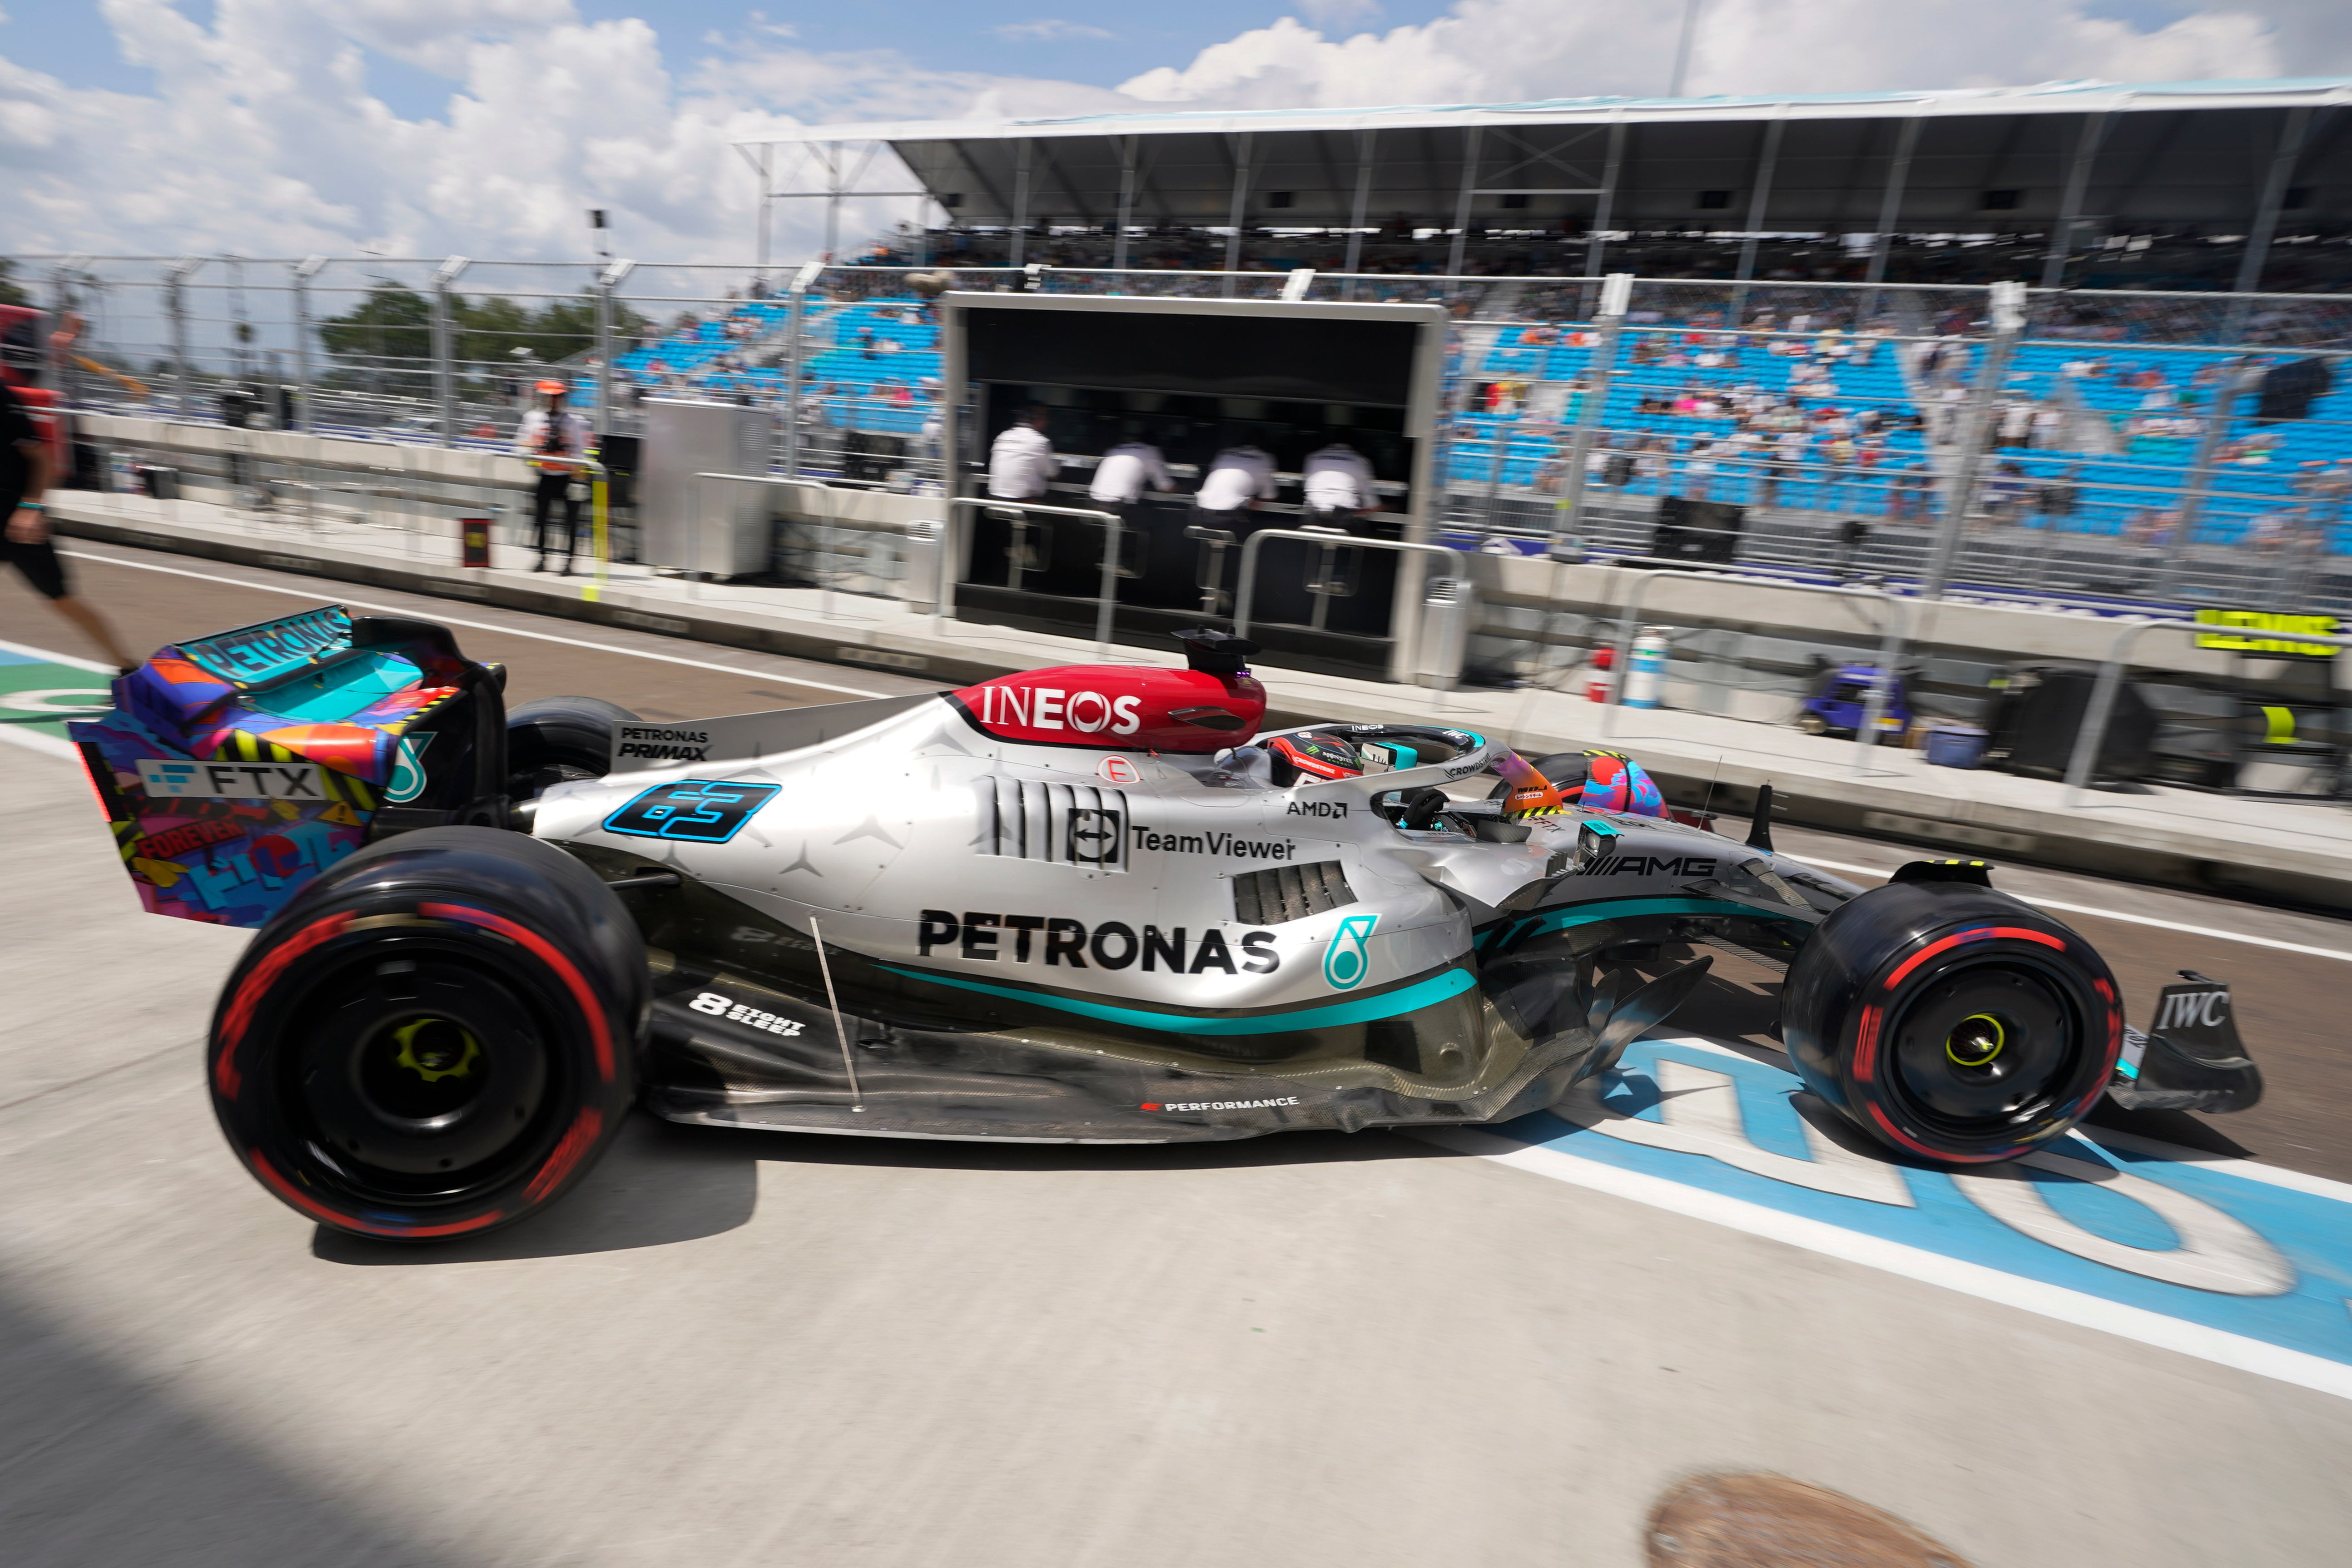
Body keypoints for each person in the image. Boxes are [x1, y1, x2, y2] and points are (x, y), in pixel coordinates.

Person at [1, 378, 137, 673]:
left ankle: (127, 668)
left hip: (13, 519)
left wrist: (31, 507)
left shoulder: (3, 397)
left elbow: (42, 458)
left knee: (60, 599)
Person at [514, 379, 592, 574]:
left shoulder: (576, 421)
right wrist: (531, 451)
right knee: (540, 519)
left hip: (568, 477)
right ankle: (541, 558)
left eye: (557, 397)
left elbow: (582, 452)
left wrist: (579, 479)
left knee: (571, 521)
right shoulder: (532, 419)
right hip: (545, 475)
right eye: (550, 397)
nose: (553, 401)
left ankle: (569, 562)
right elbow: (521, 445)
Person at [1300, 437, 1379, 524]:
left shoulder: (1312, 457)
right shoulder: (1360, 460)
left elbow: (1305, 487)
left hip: (1311, 517)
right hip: (1344, 520)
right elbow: (1371, 503)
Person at [986, 405, 1057, 500]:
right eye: (1045, 417)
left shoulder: (1003, 436)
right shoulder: (1040, 441)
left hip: (993, 500)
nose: (1047, 422)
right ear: (1036, 418)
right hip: (1022, 503)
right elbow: (1053, 473)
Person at [1194, 443, 1277, 516]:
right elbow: (1269, 497)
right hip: (1229, 514)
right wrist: (1253, 501)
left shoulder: (1224, 453)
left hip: (1199, 509)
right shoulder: (1265, 458)